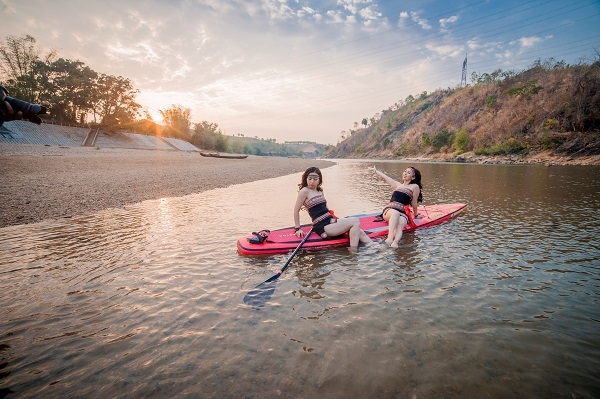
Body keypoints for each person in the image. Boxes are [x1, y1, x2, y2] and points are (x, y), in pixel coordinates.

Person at [293, 167, 371, 248]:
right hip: (322, 226)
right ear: (306, 179)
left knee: (360, 231)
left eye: (315, 179)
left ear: (319, 180)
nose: (312, 181)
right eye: (309, 179)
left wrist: (338, 221)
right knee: (355, 221)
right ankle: (353, 254)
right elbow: (296, 210)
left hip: (330, 221)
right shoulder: (304, 191)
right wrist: (298, 229)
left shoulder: (320, 191)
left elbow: (326, 208)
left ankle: (376, 248)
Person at [370, 165, 423, 248]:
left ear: (412, 177)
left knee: (401, 223)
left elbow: (414, 202)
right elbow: (386, 178)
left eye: (408, 173)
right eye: (405, 171)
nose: (405, 173)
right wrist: (376, 171)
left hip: (403, 212)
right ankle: (390, 237)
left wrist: (416, 215)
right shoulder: (397, 185)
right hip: (390, 211)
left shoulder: (414, 187)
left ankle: (395, 242)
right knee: (395, 213)